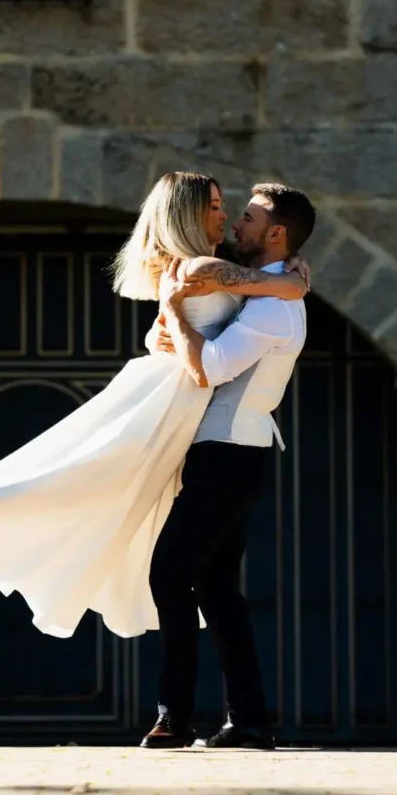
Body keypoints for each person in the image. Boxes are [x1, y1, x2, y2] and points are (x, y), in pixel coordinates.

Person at [0, 173, 307, 642]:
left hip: (179, 402)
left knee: (93, 489)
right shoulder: (200, 268)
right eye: (213, 207)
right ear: (186, 214)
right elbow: (281, 291)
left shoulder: (205, 263)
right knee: (71, 476)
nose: (225, 216)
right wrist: (294, 277)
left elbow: (197, 316)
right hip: (165, 399)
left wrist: (290, 269)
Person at [140, 182, 315, 751]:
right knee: (216, 588)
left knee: (170, 572)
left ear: (276, 233)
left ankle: (176, 717)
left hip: (230, 454)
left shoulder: (272, 310)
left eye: (247, 217)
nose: (237, 223)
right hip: (227, 451)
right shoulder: (269, 294)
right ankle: (249, 720)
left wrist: (171, 309)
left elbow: (209, 369)